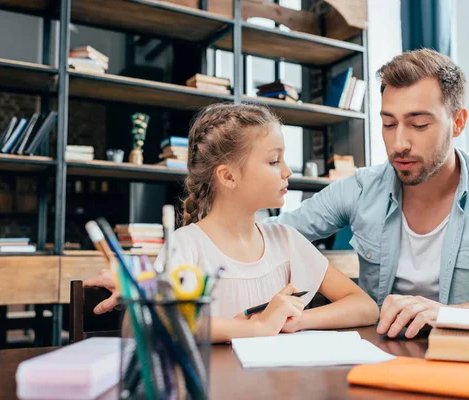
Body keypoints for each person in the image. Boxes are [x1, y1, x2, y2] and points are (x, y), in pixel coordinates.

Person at [269, 48, 469, 339]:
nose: (399, 142)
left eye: (418, 124)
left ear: (457, 123)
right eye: (389, 124)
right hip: (380, 353)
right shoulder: (362, 188)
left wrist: (448, 315)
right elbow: (273, 236)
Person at [85, 103, 379, 343]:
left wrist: (298, 320)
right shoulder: (188, 245)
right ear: (228, 177)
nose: (288, 170)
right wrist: (256, 328)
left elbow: (366, 307)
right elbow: (165, 322)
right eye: (274, 161)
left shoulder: (285, 239)